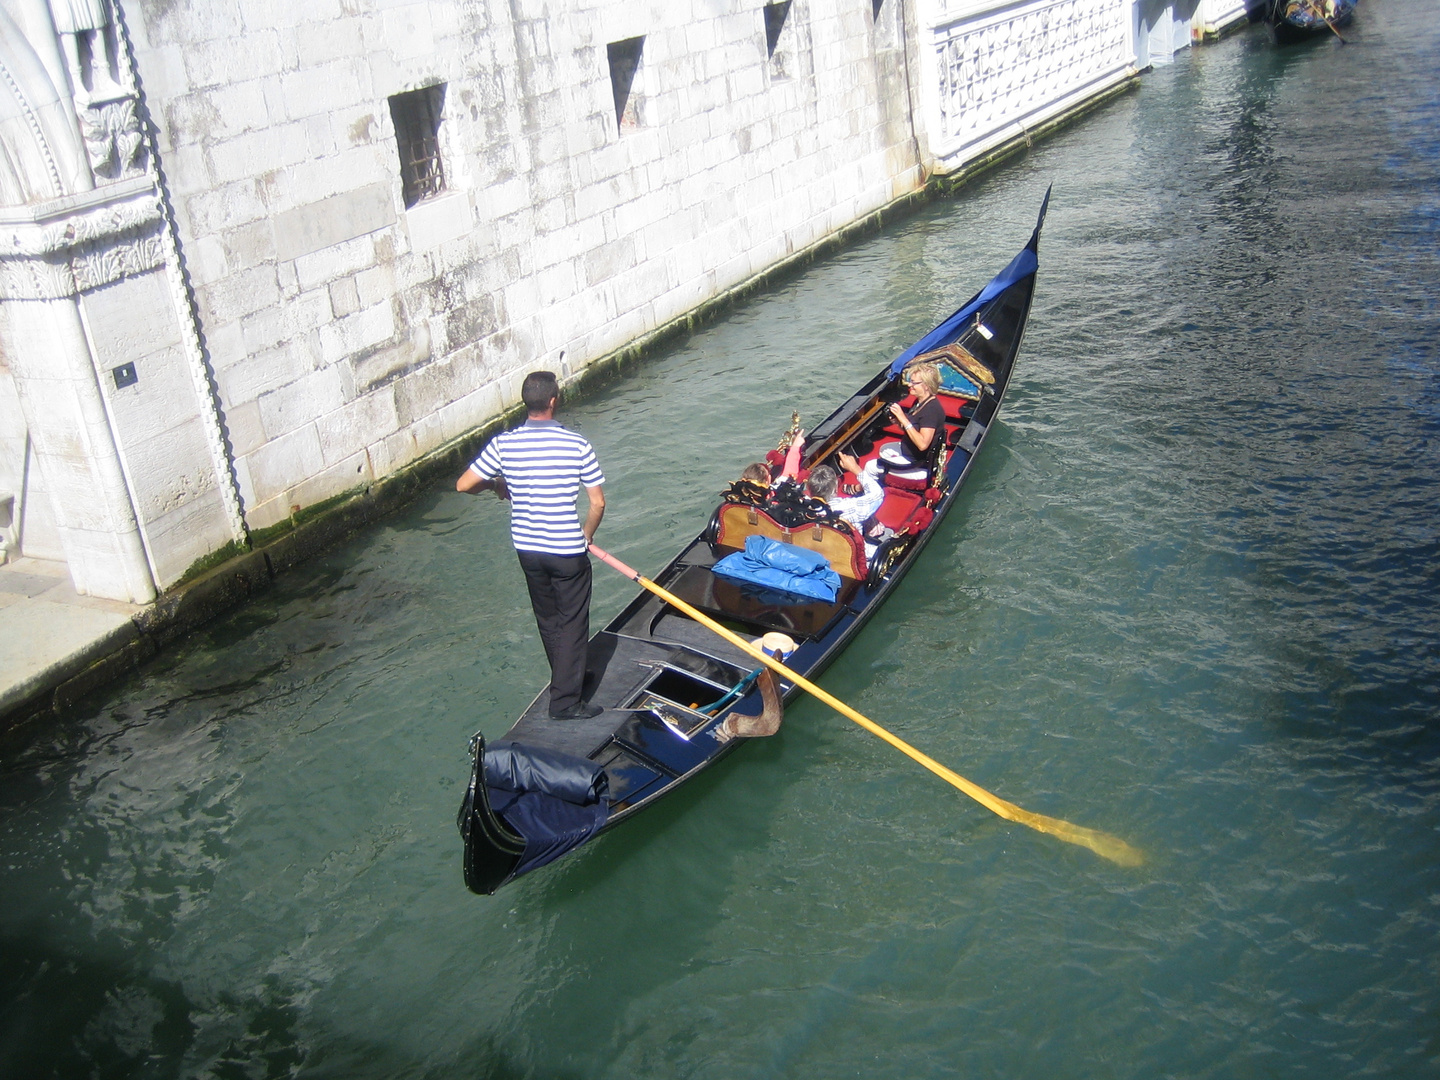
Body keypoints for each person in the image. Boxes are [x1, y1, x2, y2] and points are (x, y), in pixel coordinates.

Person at [457, 371, 606, 720]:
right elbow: (597, 503)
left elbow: (464, 485)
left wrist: (496, 486)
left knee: (549, 619)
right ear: (553, 401)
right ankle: (566, 702)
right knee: (571, 622)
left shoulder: (503, 444)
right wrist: (587, 534)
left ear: (527, 403)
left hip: (528, 549)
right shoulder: (577, 445)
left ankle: (567, 677)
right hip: (566, 549)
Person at [806, 452, 886, 556]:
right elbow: (878, 494)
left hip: (819, 551)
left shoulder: (802, 506)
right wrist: (855, 469)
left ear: (809, 488)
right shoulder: (850, 507)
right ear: (835, 488)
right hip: (851, 556)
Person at [887, 362, 945, 470]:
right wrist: (898, 421)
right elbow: (912, 429)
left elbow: (922, 445)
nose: (910, 385)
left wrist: (903, 419)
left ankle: (859, 487)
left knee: (870, 467)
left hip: (916, 462)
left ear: (926, 386)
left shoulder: (931, 411)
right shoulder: (919, 402)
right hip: (909, 452)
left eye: (914, 383)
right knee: (884, 449)